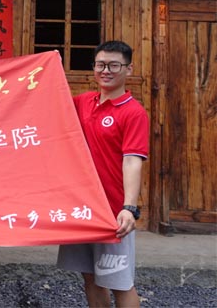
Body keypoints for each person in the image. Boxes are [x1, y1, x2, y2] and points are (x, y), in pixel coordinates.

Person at [57, 40, 150, 308]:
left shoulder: (133, 112)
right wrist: (48, 70)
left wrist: (128, 208)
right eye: (100, 65)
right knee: (91, 278)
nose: (106, 71)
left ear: (128, 69)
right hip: (83, 208)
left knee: (120, 282)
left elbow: (132, 161)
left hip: (112, 212)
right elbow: (51, 105)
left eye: (113, 65)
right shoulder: (85, 102)